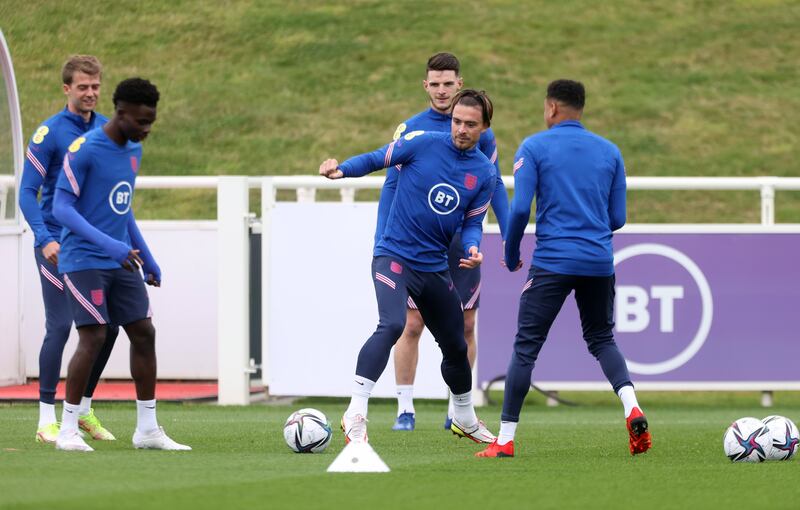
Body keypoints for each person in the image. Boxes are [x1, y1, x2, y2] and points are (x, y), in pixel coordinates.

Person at [476, 80, 652, 458]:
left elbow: (520, 208)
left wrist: (509, 252)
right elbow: (617, 217)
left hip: (553, 262)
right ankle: (631, 406)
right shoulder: (610, 151)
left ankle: (505, 439)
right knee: (602, 339)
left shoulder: (534, 147)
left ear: (551, 108)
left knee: (526, 348)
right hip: (599, 261)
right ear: (580, 108)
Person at [320, 89, 498, 445]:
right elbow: (375, 158)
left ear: (485, 127)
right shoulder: (420, 142)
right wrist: (342, 170)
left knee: (456, 345)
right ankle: (355, 412)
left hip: (433, 267)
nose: (461, 129)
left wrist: (474, 247)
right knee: (393, 324)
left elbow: (473, 223)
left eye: (470, 124)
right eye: (457, 121)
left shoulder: (484, 173)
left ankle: (463, 416)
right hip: (394, 255)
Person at [52, 77, 190, 452]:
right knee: (94, 336)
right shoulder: (86, 149)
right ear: (121, 112)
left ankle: (147, 430)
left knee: (144, 332)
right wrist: (112, 246)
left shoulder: (134, 151)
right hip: (83, 260)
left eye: (151, 123)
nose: (146, 130)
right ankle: (67, 430)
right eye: (141, 122)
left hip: (120, 259)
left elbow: (122, 207)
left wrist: (146, 256)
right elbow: (61, 207)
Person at [382, 53, 509, 432]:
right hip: (417, 244)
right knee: (412, 323)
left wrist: (509, 235)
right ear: (426, 86)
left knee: (466, 324)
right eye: (434, 83)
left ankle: (457, 409)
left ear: (459, 84)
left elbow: (495, 183)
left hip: (460, 245)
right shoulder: (414, 130)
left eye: (448, 83)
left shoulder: (481, 132)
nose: (441, 90)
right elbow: (392, 185)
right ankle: (405, 408)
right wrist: (381, 237)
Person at [19, 55, 118, 444]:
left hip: (94, 247)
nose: (91, 93)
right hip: (57, 246)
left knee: (106, 328)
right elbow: (28, 192)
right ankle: (46, 420)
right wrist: (46, 239)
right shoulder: (49, 133)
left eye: (95, 86)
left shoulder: (110, 130)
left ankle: (82, 410)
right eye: (83, 87)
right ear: (66, 89)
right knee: (60, 326)